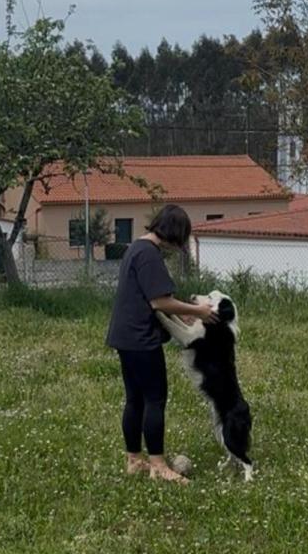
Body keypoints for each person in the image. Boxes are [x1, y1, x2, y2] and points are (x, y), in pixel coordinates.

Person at [106, 204, 218, 484]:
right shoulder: (149, 255)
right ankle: (158, 464)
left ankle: (133, 460)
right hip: (141, 339)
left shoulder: (136, 247)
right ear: (175, 234)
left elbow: (153, 296)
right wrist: (199, 312)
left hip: (124, 336)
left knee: (135, 400)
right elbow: (159, 301)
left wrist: (181, 311)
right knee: (155, 399)